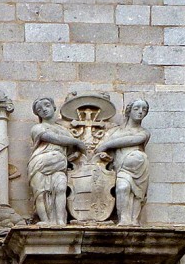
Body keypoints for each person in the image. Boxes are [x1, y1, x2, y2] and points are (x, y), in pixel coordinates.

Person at [28, 97, 87, 225]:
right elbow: (52, 138)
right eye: (39, 109)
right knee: (41, 193)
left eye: (47, 105)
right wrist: (77, 141)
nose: (44, 109)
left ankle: (60, 221)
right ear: (37, 114)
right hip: (40, 163)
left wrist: (74, 154)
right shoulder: (38, 128)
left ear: (54, 107)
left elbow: (74, 151)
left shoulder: (64, 131)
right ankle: (45, 220)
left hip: (59, 165)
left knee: (60, 188)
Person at [94, 99, 150, 226]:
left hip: (140, 169)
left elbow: (132, 140)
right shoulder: (115, 131)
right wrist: (105, 155)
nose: (140, 112)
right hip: (122, 167)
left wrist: (107, 145)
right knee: (122, 187)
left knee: (138, 195)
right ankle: (124, 219)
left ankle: (134, 220)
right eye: (136, 109)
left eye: (144, 110)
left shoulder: (144, 133)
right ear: (129, 111)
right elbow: (106, 153)